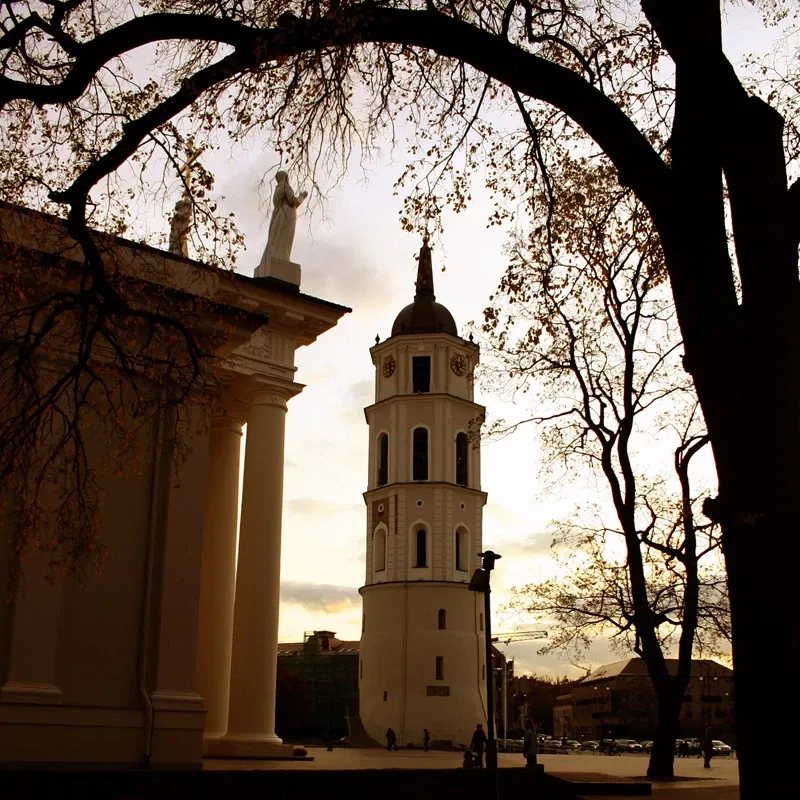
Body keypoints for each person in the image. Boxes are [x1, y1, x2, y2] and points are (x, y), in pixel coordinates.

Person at [259, 171, 308, 266]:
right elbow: (293, 202)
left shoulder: (278, 189)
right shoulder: (286, 187)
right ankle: (282, 258)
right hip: (287, 214)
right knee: (285, 238)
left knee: (276, 238)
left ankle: (274, 257)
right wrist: (303, 196)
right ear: (285, 177)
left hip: (278, 214)